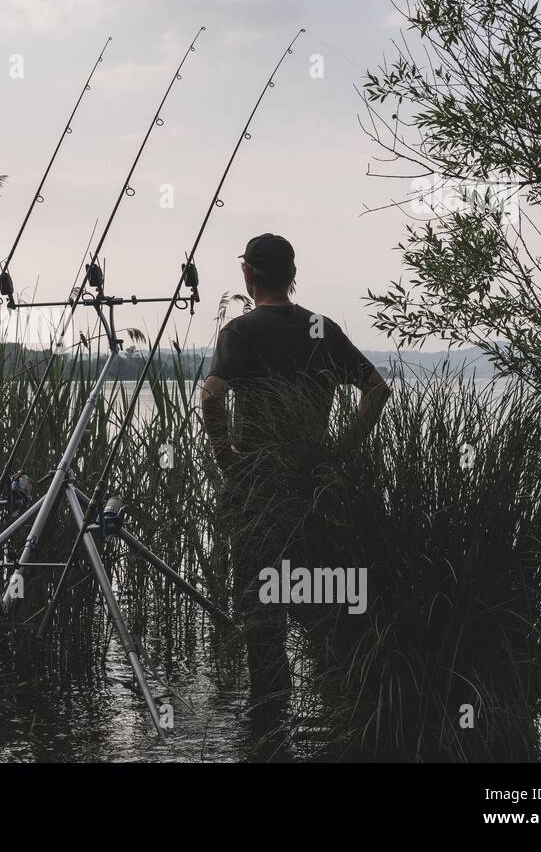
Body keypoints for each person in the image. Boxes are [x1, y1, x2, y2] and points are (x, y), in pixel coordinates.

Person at [199, 233, 390, 749]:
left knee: (263, 626)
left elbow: (211, 398)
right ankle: (350, 732)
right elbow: (377, 388)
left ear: (248, 276)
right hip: (315, 496)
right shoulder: (320, 328)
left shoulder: (240, 330)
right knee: (328, 616)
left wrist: (227, 460)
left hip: (257, 501)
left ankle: (269, 737)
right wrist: (339, 453)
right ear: (292, 274)